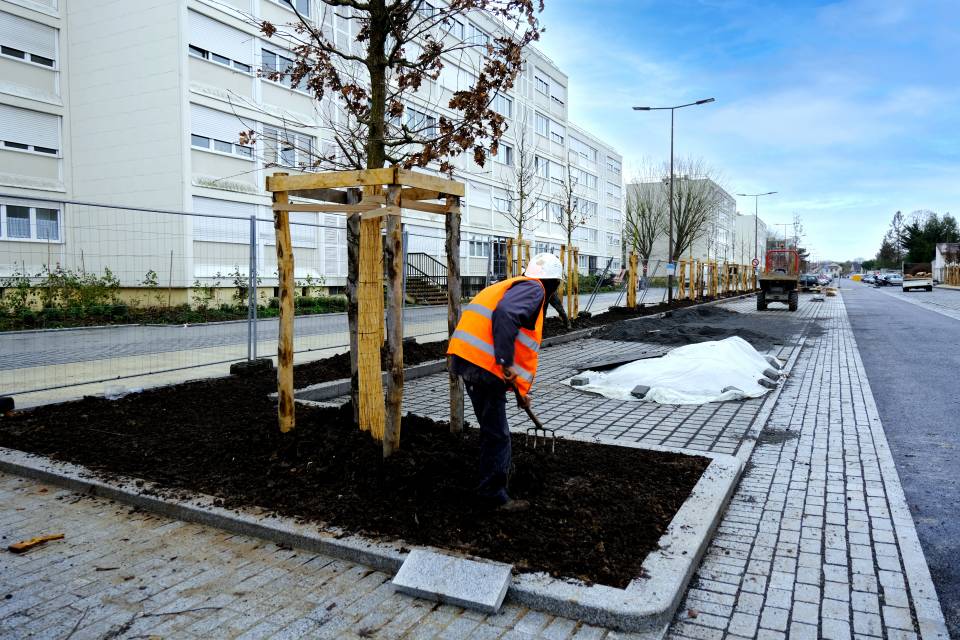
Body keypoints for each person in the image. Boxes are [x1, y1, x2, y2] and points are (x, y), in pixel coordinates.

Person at [447, 253, 563, 512]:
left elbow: (515, 341)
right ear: (553, 282)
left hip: (473, 361)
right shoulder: (534, 289)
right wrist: (503, 360)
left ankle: (492, 481)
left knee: (492, 429)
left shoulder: (516, 286)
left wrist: (520, 390)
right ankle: (493, 494)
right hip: (484, 365)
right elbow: (505, 315)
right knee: (498, 434)